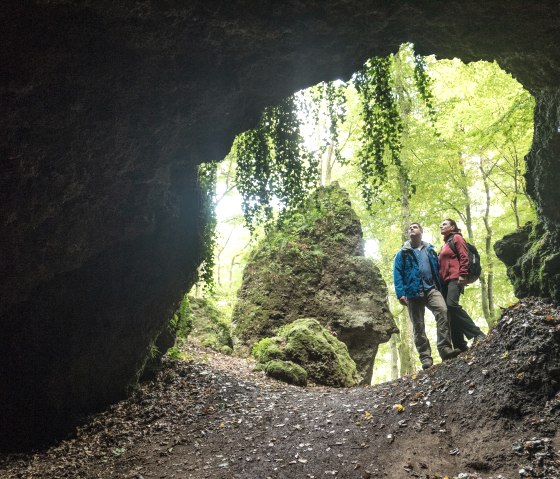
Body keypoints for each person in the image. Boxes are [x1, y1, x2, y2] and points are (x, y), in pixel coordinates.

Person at [393, 222, 461, 370]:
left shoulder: (430, 250)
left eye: (415, 227)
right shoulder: (402, 253)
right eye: (409, 227)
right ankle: (425, 358)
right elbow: (397, 273)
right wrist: (400, 293)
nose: (411, 228)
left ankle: (445, 350)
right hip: (412, 292)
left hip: (431, 289)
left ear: (421, 231)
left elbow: (438, 267)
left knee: (443, 311)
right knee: (418, 326)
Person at [438, 219, 486, 351]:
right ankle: (459, 345)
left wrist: (463, 274)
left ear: (452, 226)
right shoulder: (445, 244)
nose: (441, 226)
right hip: (445, 282)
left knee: (452, 305)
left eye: (444, 224)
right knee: (449, 312)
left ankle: (477, 333)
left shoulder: (457, 238)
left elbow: (464, 256)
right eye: (440, 225)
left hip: (455, 278)